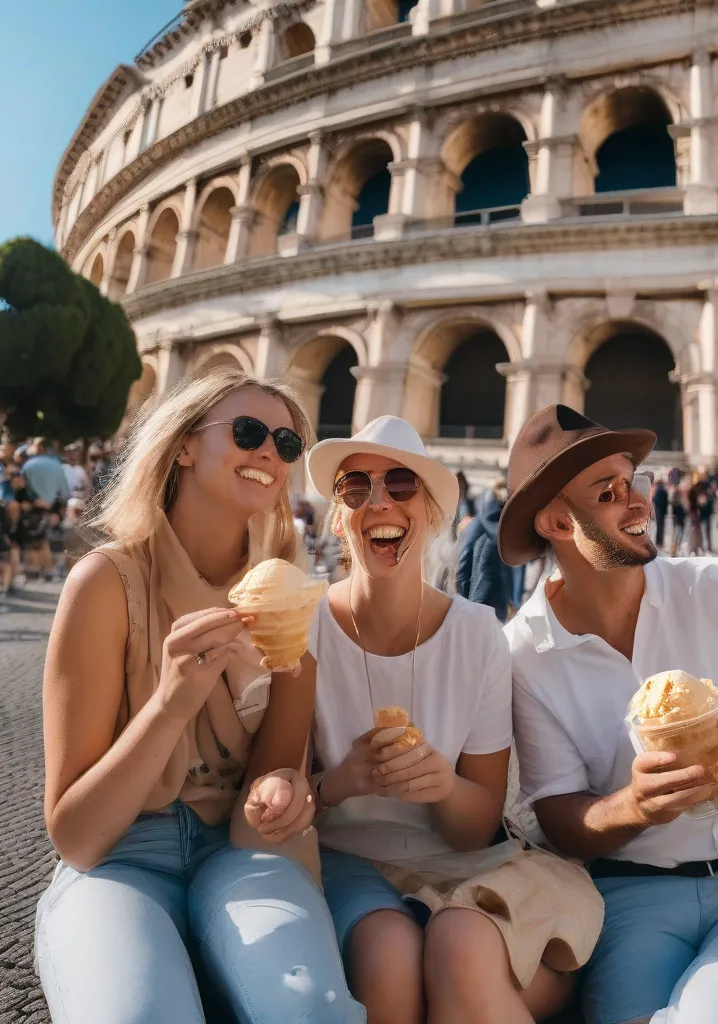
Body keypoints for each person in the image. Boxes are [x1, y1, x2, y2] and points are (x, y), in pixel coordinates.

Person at [243, 414, 600, 1024]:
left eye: (402, 483)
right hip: (348, 863)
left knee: (454, 958)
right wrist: (342, 781)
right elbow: (276, 793)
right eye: (356, 488)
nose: (379, 499)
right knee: (392, 959)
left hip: (467, 863)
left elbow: (475, 825)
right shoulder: (301, 626)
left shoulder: (477, 634)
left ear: (432, 513)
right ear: (337, 515)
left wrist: (441, 784)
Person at [35, 371, 362, 1024]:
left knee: (314, 1012)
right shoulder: (106, 583)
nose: (270, 452)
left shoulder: (287, 596)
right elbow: (76, 834)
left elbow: (272, 777)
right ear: (183, 446)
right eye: (247, 433)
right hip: (119, 855)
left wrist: (283, 793)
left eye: (287, 443)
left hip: (237, 849)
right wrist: (169, 705)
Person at [501, 404, 718, 1024]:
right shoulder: (523, 653)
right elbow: (559, 815)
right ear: (553, 520)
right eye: (609, 492)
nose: (637, 504)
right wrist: (634, 806)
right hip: (631, 897)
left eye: (636, 482)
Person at [457, 478, 514, 622]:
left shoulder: (476, 526)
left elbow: (463, 559)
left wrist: (460, 597)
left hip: (476, 597)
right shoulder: (506, 530)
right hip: (499, 599)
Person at [651, 477, 669, 550]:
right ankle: (660, 541)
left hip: (658, 510)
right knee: (661, 526)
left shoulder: (658, 491)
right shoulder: (664, 491)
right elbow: (666, 502)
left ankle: (658, 541)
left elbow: (654, 500)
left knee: (658, 526)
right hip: (663, 511)